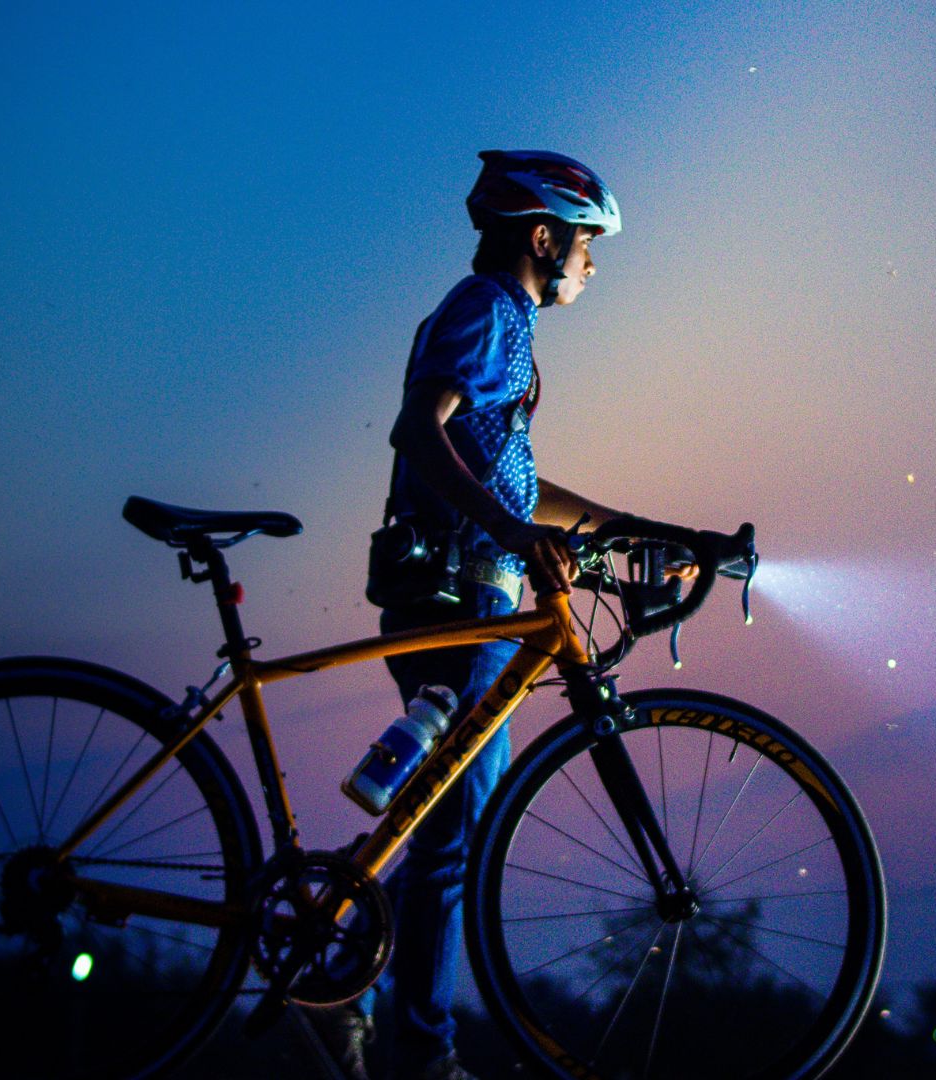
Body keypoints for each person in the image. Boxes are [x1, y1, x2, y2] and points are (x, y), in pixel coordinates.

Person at [319, 150, 629, 1080]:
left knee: (444, 828)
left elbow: (511, 480)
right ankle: (417, 1049)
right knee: (455, 838)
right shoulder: (489, 309)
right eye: (588, 244)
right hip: (459, 597)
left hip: (472, 591)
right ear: (544, 237)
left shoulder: (504, 325)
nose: (593, 265)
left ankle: (348, 988)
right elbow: (421, 429)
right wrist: (511, 532)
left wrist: (637, 527)